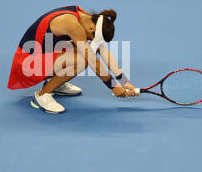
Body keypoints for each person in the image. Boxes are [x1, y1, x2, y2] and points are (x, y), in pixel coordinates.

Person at [8, 6, 138, 114]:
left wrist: (124, 82)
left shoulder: (87, 19)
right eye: (93, 39)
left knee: (83, 50)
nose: (93, 41)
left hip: (43, 53)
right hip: (26, 65)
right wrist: (113, 86)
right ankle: (42, 95)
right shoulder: (73, 26)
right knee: (81, 61)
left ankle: (55, 84)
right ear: (92, 29)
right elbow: (93, 61)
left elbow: (102, 50)